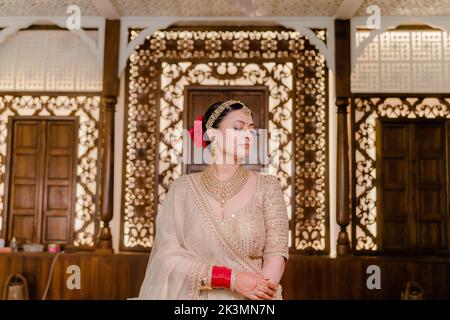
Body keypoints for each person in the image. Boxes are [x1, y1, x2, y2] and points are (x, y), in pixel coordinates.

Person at [137, 99, 289, 299]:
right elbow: (167, 256)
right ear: (212, 134)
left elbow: (277, 253)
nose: (249, 135)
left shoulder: (268, 186)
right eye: (238, 128)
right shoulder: (182, 189)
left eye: (251, 129)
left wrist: (257, 293)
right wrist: (230, 279)